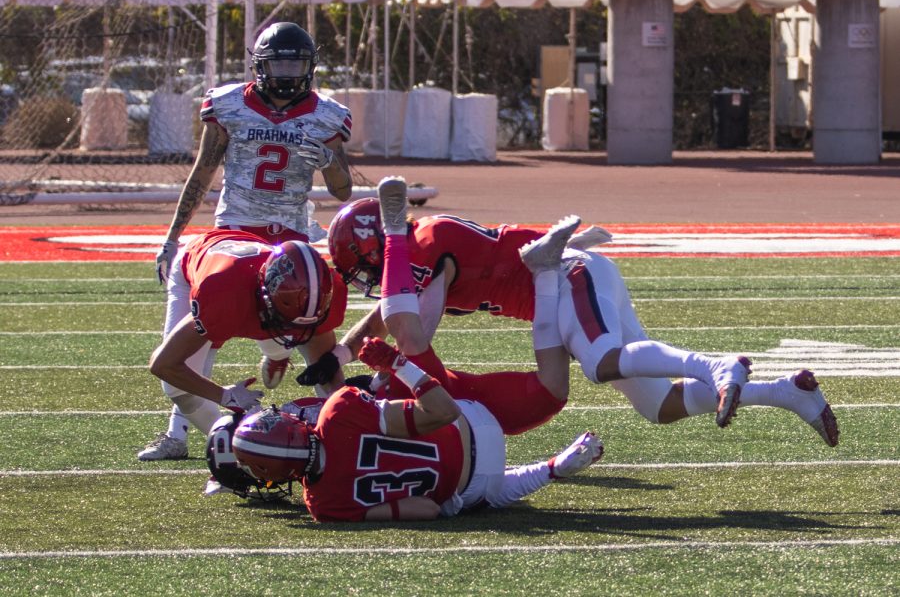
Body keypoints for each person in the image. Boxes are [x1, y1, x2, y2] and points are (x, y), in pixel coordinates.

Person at [311, 190, 839, 447]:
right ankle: (787, 392)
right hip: (561, 293)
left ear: (383, 248)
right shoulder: (415, 258)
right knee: (659, 406)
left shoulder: (423, 245)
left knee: (603, 362)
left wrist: (391, 368)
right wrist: (339, 354)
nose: (370, 283)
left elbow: (413, 329)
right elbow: (391, 309)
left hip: (566, 276)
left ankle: (716, 364)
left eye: (369, 269)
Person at [225, 177, 603, 521]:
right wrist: (360, 362)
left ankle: (541, 275)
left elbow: (411, 326)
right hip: (456, 410)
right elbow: (391, 323)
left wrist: (374, 368)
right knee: (548, 393)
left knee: (409, 335)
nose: (363, 279)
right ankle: (547, 274)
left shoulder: (325, 503)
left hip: (467, 476)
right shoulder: (337, 417)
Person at [142, 21, 353, 459]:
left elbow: (342, 190)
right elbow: (202, 174)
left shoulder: (326, 114)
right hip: (232, 235)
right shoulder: (229, 104)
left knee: (292, 322)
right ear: (260, 64)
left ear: (310, 65)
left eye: (296, 61)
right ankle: (186, 433)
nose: (289, 71)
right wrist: (172, 237)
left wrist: (330, 159)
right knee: (199, 339)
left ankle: (275, 363)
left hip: (290, 242)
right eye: (280, 61)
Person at [141, 229, 348, 462]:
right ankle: (236, 446)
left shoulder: (328, 290)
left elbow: (328, 371)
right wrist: (224, 396)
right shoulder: (223, 294)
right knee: (176, 388)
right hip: (196, 263)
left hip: (250, 267)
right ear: (265, 295)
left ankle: (277, 355)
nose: (293, 328)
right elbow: (164, 364)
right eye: (284, 319)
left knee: (306, 351)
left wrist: (344, 425)